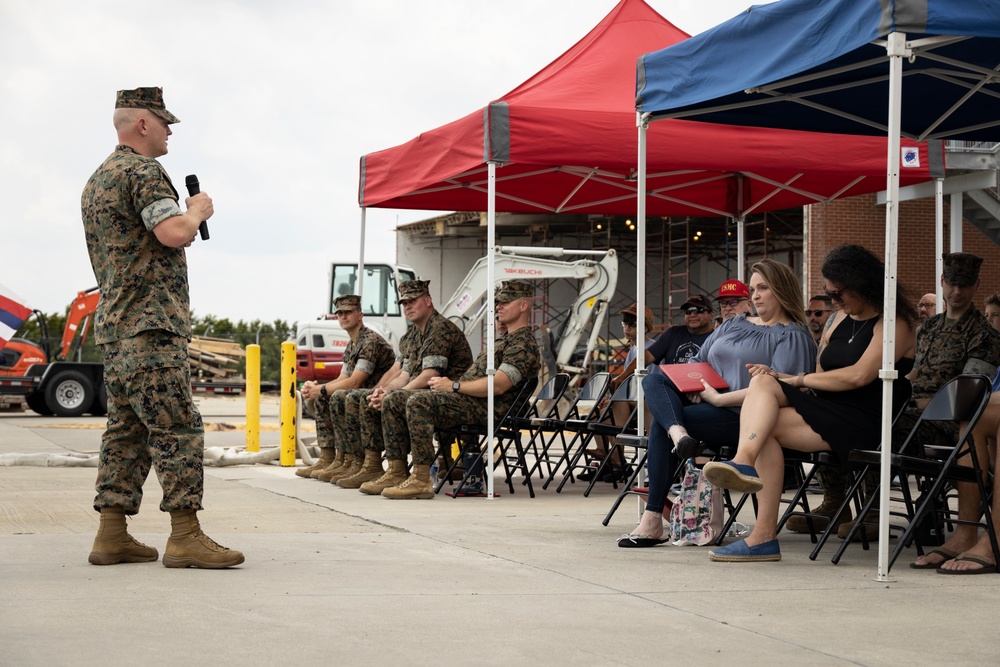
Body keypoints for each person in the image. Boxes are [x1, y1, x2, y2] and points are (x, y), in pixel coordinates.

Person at [82, 87, 243, 568]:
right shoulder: (143, 172)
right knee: (177, 427)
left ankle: (112, 533)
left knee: (126, 430)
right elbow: (172, 232)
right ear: (142, 125)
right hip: (151, 325)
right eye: (164, 121)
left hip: (114, 328)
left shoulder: (98, 180)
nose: (171, 130)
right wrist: (195, 211)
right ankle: (184, 535)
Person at [703, 244, 918, 563]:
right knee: (763, 387)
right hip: (828, 409)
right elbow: (822, 374)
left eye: (838, 293)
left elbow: (859, 376)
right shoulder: (837, 320)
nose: (834, 300)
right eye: (829, 294)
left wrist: (796, 379)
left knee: (769, 391)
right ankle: (748, 481)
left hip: (866, 419)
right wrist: (786, 379)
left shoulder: (895, 322)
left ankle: (759, 526)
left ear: (862, 284)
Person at [618, 259, 815, 547]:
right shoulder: (734, 323)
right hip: (706, 402)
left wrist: (719, 398)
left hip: (747, 419)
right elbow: (699, 361)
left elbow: (781, 390)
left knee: (662, 423)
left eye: (763, 288)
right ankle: (679, 435)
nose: (756, 295)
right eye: (753, 289)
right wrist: (695, 386)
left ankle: (651, 520)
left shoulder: (791, 335)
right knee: (655, 376)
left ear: (782, 290)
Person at [379, 280, 541, 499]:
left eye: (505, 302)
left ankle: (420, 478)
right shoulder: (505, 340)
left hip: (488, 408)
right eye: (497, 302)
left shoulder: (523, 343)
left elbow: (500, 384)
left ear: (523, 306)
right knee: (394, 399)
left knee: (418, 402)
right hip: (472, 401)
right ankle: (396, 471)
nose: (499, 306)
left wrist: (454, 386)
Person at [906, 258, 1000, 567]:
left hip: (947, 420)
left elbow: (965, 396)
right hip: (915, 413)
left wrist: (918, 403)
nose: (957, 291)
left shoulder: (984, 334)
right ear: (943, 281)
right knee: (867, 420)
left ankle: (972, 532)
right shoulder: (929, 327)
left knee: (972, 418)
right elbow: (915, 374)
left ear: (975, 285)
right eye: (952, 283)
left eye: (965, 285)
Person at [351, 280, 473, 494]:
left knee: (397, 399)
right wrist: (384, 390)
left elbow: (430, 375)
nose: (408, 306)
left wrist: (394, 394)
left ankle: (420, 477)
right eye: (404, 302)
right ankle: (381, 468)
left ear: (428, 301)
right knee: (376, 397)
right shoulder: (413, 335)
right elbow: (405, 374)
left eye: (413, 301)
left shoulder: (440, 329)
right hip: (434, 395)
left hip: (457, 397)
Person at [296, 294, 395, 485]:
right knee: (328, 396)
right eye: (340, 313)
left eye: (348, 312)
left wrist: (321, 390)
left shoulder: (369, 341)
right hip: (361, 396)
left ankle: (356, 462)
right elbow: (343, 378)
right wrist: (319, 388)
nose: (343, 316)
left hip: (376, 395)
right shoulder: (352, 344)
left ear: (360, 315)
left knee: (340, 396)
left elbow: (355, 382)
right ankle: (331, 458)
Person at [611, 294, 715, 391]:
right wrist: (621, 378)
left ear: (711, 314)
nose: (692, 314)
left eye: (699, 310)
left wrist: (701, 391)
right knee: (649, 382)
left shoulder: (717, 339)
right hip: (672, 392)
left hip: (704, 392)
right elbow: (646, 357)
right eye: (688, 311)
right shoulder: (673, 333)